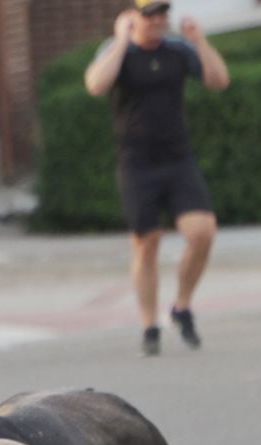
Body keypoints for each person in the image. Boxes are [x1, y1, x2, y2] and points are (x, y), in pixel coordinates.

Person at [84, 0, 230, 356]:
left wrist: (200, 41)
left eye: (163, 14)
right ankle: (150, 324)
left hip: (177, 159)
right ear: (134, 17)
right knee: (146, 243)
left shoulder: (177, 49)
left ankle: (181, 306)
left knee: (203, 231)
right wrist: (121, 40)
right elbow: (95, 85)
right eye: (150, 15)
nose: (158, 21)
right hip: (137, 164)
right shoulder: (116, 50)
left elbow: (219, 81)